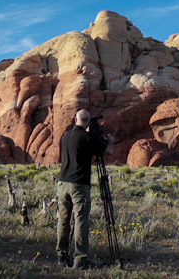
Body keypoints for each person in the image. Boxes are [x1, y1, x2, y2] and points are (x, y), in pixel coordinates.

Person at [56, 109, 113, 269]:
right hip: (79, 185)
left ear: (75, 119)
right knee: (81, 220)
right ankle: (80, 258)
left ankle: (61, 255)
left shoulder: (66, 135)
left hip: (62, 183)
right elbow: (108, 150)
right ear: (88, 122)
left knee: (63, 220)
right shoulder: (87, 138)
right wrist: (110, 141)